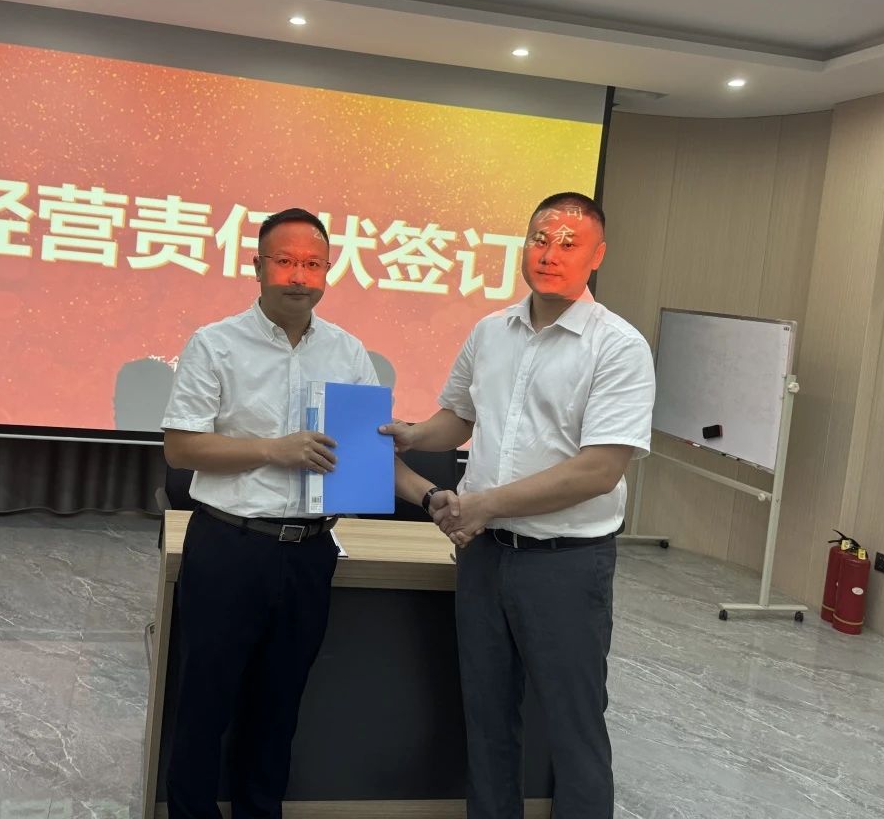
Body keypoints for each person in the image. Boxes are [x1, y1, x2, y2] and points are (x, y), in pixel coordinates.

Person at [381, 192, 655, 819]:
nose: (550, 253)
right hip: (485, 558)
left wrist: (484, 505)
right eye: (540, 239)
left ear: (597, 256)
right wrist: (413, 436)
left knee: (573, 727)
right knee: (487, 720)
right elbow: (459, 417)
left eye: (569, 244)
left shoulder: (618, 346)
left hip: (566, 564)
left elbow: (599, 470)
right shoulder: (490, 332)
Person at [161, 207, 381, 819]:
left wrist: (424, 492)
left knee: (278, 708)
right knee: (205, 703)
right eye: (284, 261)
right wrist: (272, 450)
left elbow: (365, 451)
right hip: (229, 546)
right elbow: (181, 447)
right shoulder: (215, 344)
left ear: (328, 271)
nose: (298, 276)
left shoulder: (347, 351)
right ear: (257, 266)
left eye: (312, 264)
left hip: (310, 552)